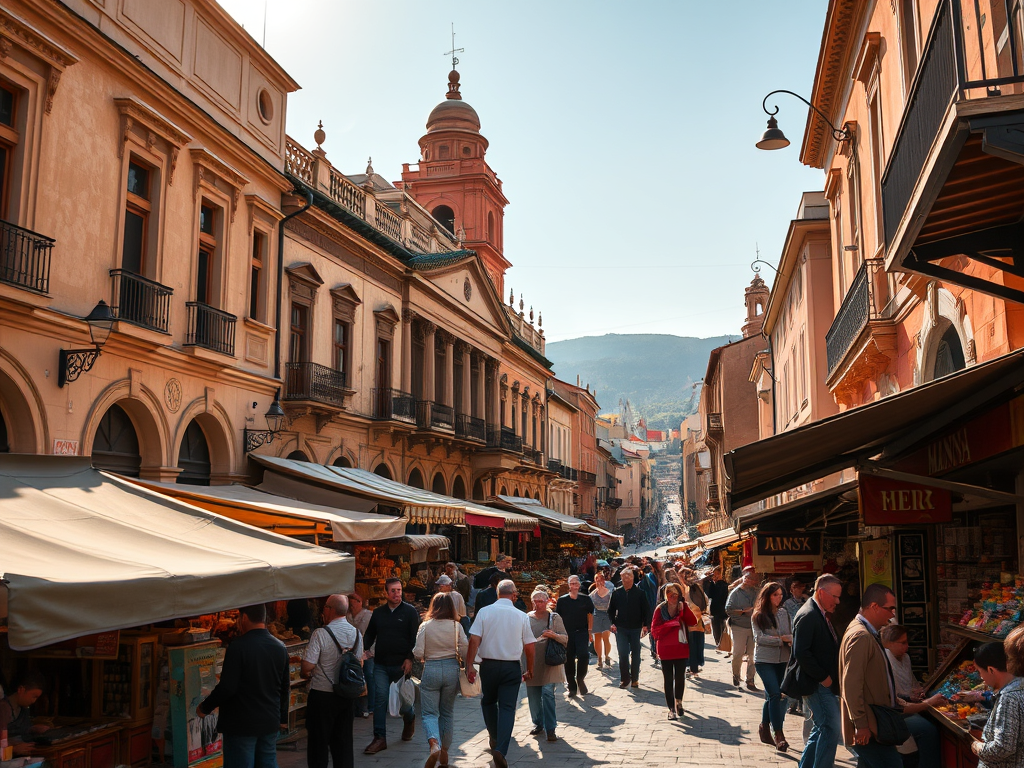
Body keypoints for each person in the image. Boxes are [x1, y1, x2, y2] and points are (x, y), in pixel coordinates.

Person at [196, 604, 289, 768]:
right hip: (269, 720)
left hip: (241, 723)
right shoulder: (280, 648)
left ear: (244, 618)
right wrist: (282, 718)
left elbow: (227, 687)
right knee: (267, 762)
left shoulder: (238, 647)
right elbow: (284, 687)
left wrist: (205, 707)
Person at [465, 579, 536, 768]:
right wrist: (530, 668)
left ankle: (495, 737)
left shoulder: (485, 612)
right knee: (507, 708)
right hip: (511, 667)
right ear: (513, 595)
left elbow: (474, 640)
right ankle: (501, 749)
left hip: (488, 665)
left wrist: (469, 665)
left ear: (497, 594)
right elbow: (529, 646)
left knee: (488, 701)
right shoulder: (521, 616)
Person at [839, 582, 903, 768]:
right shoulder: (861, 636)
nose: (892, 614)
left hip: (874, 724)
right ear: (874, 606)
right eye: (890, 608)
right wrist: (861, 724)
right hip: (871, 727)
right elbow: (851, 685)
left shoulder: (864, 632)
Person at [301, 594, 363, 768]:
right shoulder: (356, 633)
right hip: (346, 696)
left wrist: (304, 671)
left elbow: (307, 666)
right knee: (343, 744)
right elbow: (359, 662)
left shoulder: (320, 633)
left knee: (318, 745)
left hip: (322, 695)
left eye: (325, 607)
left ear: (329, 610)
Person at [362, 578, 421, 755]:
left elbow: (415, 639)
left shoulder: (410, 612)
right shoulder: (378, 613)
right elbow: (370, 634)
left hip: (401, 665)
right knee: (380, 699)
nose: (397, 594)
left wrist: (410, 659)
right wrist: (363, 650)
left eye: (399, 590)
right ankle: (379, 738)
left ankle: (409, 718)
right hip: (381, 664)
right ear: (386, 593)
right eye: (393, 591)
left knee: (404, 703)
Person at [793, 573, 843, 768]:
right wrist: (825, 679)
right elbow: (801, 653)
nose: (838, 602)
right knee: (830, 728)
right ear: (822, 593)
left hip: (821, 683)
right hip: (817, 684)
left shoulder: (817, 612)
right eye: (835, 596)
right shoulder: (809, 614)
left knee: (821, 727)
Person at [413, 593, 468, 768]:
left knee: (429, 713)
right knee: (447, 712)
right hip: (452, 669)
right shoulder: (456, 626)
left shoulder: (425, 626)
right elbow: (465, 648)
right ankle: (444, 750)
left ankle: (434, 744)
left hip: (431, 669)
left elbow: (418, 652)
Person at [880, 624, 942, 768]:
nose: (906, 647)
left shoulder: (906, 658)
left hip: (907, 705)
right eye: (902, 643)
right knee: (928, 730)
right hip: (894, 713)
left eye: (907, 642)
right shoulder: (885, 660)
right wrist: (927, 702)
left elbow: (911, 682)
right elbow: (895, 701)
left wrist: (917, 692)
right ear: (889, 644)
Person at [971, 631, 1024, 768]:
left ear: (991, 670)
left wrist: (977, 746)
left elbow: (1002, 748)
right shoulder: (1018, 687)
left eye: (979, 671)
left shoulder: (1009, 697)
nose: (981, 677)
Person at [752, 582, 793, 752]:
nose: (779, 598)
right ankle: (779, 734)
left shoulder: (784, 613)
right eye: (775, 595)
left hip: (783, 659)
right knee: (776, 694)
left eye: (781, 595)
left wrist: (790, 639)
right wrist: (780, 640)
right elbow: (759, 638)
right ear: (768, 596)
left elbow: (789, 633)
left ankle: (764, 726)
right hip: (764, 660)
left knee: (773, 696)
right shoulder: (758, 615)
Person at [525, 588, 567, 742]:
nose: (537, 604)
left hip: (550, 662)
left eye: (541, 601)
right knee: (533, 695)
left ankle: (551, 728)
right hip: (531, 662)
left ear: (547, 601)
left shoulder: (554, 618)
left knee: (548, 693)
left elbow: (565, 639)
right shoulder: (526, 618)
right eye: (535, 601)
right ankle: (537, 723)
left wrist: (553, 635)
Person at [650, 583, 696, 720]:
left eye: (675, 594)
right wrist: (670, 624)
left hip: (680, 647)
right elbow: (654, 629)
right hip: (665, 649)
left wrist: (684, 609)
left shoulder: (683, 607)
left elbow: (693, 621)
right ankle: (671, 709)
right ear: (666, 595)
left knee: (680, 677)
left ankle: (679, 702)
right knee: (668, 679)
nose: (673, 597)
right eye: (670, 594)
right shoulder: (660, 609)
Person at [608, 566, 652, 689]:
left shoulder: (640, 593)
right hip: (621, 627)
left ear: (633, 578)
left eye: (629, 576)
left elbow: (646, 610)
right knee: (622, 654)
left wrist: (645, 626)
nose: (627, 578)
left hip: (635, 627)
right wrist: (612, 623)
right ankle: (625, 679)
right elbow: (611, 610)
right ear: (621, 578)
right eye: (624, 576)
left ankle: (635, 679)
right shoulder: (617, 593)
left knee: (636, 654)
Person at [556, 575, 594, 697]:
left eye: (576, 583)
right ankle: (571, 685)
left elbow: (590, 615)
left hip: (581, 632)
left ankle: (580, 678)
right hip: (567, 633)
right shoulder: (562, 600)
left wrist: (590, 631)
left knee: (583, 655)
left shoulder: (586, 599)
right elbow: (558, 617)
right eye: (571, 583)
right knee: (569, 658)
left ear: (579, 585)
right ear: (568, 585)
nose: (574, 586)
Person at [726, 566, 760, 690]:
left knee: (753, 654)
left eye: (753, 578)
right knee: (738, 653)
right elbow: (728, 610)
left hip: (753, 626)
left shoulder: (757, 592)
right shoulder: (736, 592)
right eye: (749, 578)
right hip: (739, 626)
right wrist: (742, 611)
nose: (751, 580)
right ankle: (736, 675)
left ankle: (750, 680)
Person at [0, 671, 47, 755]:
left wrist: (32, 729)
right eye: (34, 696)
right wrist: (13, 749)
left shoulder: (24, 708)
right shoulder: (3, 709)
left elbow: (21, 730)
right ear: (21, 689)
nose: (34, 701)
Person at [347, 593, 374, 719]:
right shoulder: (347, 616)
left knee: (368, 674)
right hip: (352, 652)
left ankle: (371, 706)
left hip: (367, 652)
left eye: (354, 601)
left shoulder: (368, 616)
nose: (351, 604)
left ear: (360, 602)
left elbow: (369, 635)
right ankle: (357, 707)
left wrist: (369, 653)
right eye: (350, 601)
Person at [682, 568, 708, 679]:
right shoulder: (688, 589)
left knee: (695, 645)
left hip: (696, 622)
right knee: (694, 645)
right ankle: (693, 667)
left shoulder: (694, 588)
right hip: (692, 622)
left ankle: (694, 667)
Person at [589, 571, 614, 669]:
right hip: (597, 616)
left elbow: (613, 606)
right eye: (597, 580)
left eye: (601, 579)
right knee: (597, 637)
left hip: (607, 615)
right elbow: (590, 611)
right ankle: (599, 658)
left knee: (606, 637)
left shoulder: (610, 593)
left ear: (604, 581)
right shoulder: (592, 595)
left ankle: (607, 656)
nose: (599, 582)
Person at [703, 565, 730, 651]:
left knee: (719, 628)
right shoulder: (718, 584)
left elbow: (713, 595)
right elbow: (710, 595)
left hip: (720, 609)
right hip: (718, 609)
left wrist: (711, 583)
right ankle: (720, 643)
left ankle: (721, 643)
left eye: (716, 574)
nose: (715, 576)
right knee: (718, 628)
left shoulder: (722, 585)